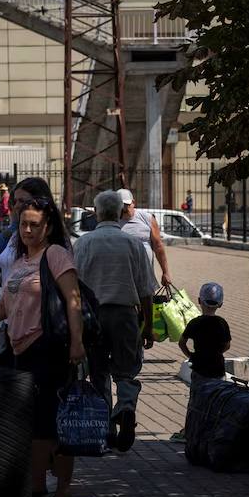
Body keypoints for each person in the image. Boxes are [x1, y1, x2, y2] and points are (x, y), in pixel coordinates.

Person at [0, 196, 84, 497]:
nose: (27, 230)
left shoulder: (55, 254)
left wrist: (76, 342)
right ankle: (36, 487)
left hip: (49, 348)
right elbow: (2, 307)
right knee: (34, 422)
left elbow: (73, 299)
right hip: (21, 352)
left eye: (34, 225)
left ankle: (61, 490)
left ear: (48, 226)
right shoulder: (20, 261)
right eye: (23, 224)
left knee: (51, 422)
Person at [73, 190, 156, 452]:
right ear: (120, 211)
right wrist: (149, 326)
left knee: (98, 372)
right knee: (127, 369)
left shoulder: (84, 244)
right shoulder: (131, 244)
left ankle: (106, 428)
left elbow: (73, 288)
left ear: (97, 213)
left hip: (94, 317)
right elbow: (146, 290)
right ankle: (127, 406)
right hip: (125, 315)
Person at [0, 178, 60, 366]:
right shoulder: (5, 241)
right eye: (15, 202)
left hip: (46, 332)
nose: (16, 207)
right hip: (12, 329)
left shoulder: (57, 248)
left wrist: (77, 343)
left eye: (23, 202)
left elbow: (72, 297)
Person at [117, 188, 173, 287]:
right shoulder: (113, 222)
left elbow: (158, 246)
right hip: (121, 280)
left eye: (126, 205)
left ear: (133, 202)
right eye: (120, 205)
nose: (124, 208)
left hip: (145, 278)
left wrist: (166, 272)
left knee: (147, 301)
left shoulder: (147, 218)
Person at [179, 283, 231, 381]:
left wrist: (190, 355)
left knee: (198, 392)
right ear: (220, 304)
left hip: (199, 367)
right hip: (217, 367)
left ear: (199, 301)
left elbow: (182, 342)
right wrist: (216, 353)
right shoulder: (222, 323)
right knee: (217, 394)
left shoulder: (194, 323)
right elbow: (227, 345)